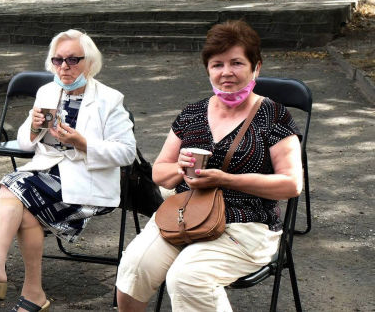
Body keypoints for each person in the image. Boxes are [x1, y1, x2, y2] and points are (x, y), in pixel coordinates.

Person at [115, 20, 303, 311]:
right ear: (208, 70)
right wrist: (180, 169)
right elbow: (160, 173)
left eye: (236, 63)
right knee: (134, 267)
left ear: (256, 67)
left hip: (246, 224)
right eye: (217, 64)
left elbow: (291, 184)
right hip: (185, 217)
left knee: (187, 278)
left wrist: (225, 179)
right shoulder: (192, 114)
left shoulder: (274, 116)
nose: (226, 72)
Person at [0, 29, 136, 312]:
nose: (64, 66)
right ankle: (33, 295)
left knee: (11, 185)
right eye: (58, 60)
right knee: (21, 202)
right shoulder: (47, 92)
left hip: (87, 180)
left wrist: (81, 143)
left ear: (90, 63)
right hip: (45, 173)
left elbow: (126, 152)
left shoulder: (109, 99)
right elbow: (25, 143)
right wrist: (34, 126)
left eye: (73, 60)